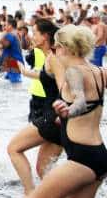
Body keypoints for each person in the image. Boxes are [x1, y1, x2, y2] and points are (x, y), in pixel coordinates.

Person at [31, 25, 107, 198]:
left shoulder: (73, 72)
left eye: (55, 47)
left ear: (63, 48)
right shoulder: (100, 72)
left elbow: (79, 101)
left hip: (82, 158)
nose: (53, 51)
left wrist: (68, 111)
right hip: (100, 156)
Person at [8, 19, 63, 195]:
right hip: (57, 118)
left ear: (45, 36)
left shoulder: (55, 56)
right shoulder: (52, 56)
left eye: (35, 32)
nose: (32, 36)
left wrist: (63, 111)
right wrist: (24, 72)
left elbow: (63, 85)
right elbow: (47, 75)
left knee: (13, 148)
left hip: (53, 117)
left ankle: (30, 192)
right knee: (43, 170)